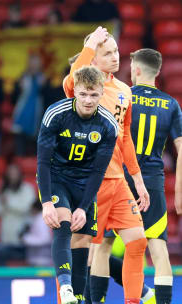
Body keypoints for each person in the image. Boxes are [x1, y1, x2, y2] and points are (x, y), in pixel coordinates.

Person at [63, 27, 150, 304]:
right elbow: (69, 81)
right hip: (89, 181)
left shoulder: (125, 90)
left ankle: (134, 301)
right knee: (87, 249)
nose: (116, 57)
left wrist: (137, 179)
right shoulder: (83, 89)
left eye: (116, 51)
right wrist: (90, 44)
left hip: (118, 180)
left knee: (137, 240)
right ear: (93, 59)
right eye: (108, 52)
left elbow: (125, 138)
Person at [99, 49, 182, 304]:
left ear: (135, 70)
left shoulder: (123, 96)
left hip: (120, 181)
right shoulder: (171, 104)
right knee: (158, 249)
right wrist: (179, 192)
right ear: (158, 72)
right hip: (154, 183)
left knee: (101, 248)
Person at [38, 66, 118, 304]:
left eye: (93, 95)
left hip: (85, 181)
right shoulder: (56, 114)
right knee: (63, 225)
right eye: (83, 94)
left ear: (102, 92)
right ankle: (65, 287)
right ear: (75, 92)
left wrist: (83, 207)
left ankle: (79, 297)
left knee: (83, 238)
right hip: (57, 176)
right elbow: (42, 161)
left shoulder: (108, 125)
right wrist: (45, 203)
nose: (88, 100)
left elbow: (98, 170)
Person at [0, 164, 36, 245]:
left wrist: (8, 203)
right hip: (6, 233)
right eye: (10, 174)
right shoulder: (3, 190)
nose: (12, 177)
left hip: (23, 233)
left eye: (15, 174)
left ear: (20, 175)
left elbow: (27, 208)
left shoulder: (27, 189)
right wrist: (3, 204)